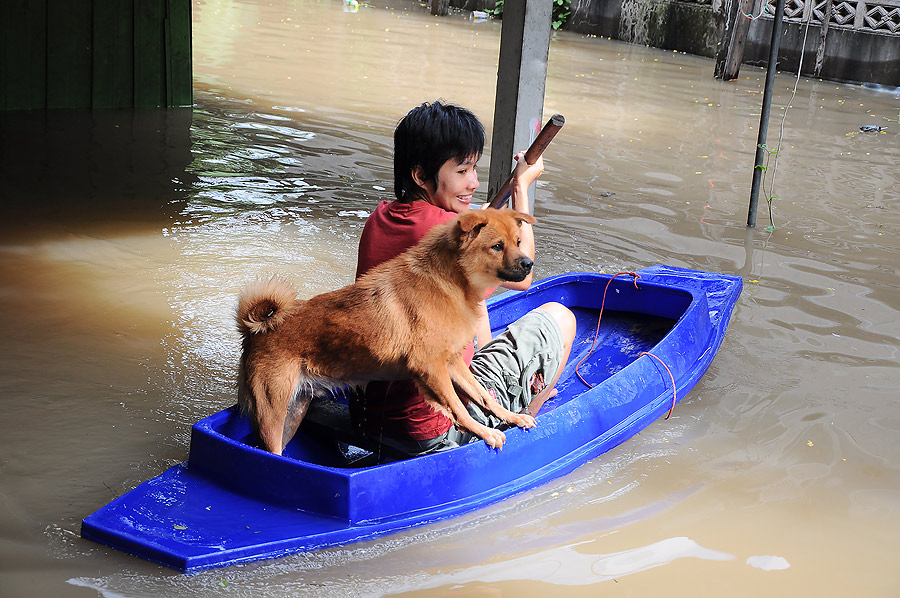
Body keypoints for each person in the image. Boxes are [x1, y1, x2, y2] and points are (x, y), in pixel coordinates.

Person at [351, 100, 576, 455]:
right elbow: (521, 272)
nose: (472, 182)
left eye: (474, 168)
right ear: (421, 176)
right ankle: (517, 428)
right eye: (461, 171)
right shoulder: (445, 231)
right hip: (429, 425)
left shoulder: (380, 216)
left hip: (369, 416)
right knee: (561, 319)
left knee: (475, 304)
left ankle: (506, 393)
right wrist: (522, 188)